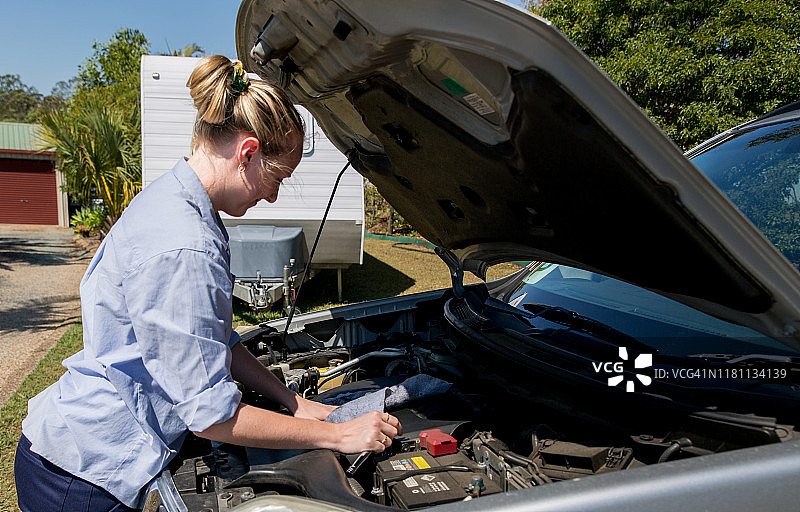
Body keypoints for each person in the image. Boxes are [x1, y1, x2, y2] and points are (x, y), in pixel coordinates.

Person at [14, 55, 401, 512]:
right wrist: (338, 434)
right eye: (277, 178)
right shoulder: (186, 244)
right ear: (249, 153)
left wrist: (291, 401)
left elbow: (217, 341)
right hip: (83, 478)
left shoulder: (180, 203)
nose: (272, 196)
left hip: (77, 454)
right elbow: (211, 417)